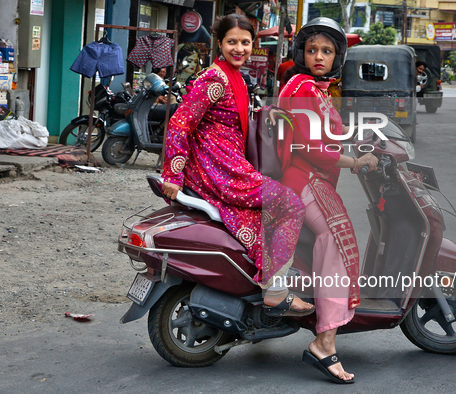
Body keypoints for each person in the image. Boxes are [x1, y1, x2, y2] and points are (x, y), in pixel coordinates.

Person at [161, 14, 314, 316]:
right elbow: (179, 123)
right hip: (220, 171)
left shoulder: (234, 78)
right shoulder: (215, 79)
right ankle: (275, 289)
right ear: (220, 43)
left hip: (227, 166)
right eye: (232, 42)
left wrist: (266, 111)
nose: (239, 48)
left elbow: (230, 116)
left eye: (245, 43)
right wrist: (172, 175)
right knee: (291, 205)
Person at [278, 17, 378, 383]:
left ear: (337, 56)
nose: (319, 56)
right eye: (312, 50)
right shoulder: (304, 87)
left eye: (327, 50)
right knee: (337, 240)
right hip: (304, 178)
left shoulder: (316, 89)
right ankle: (325, 342)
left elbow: (325, 136)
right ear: (301, 53)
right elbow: (311, 147)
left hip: (312, 178)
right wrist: (354, 161)